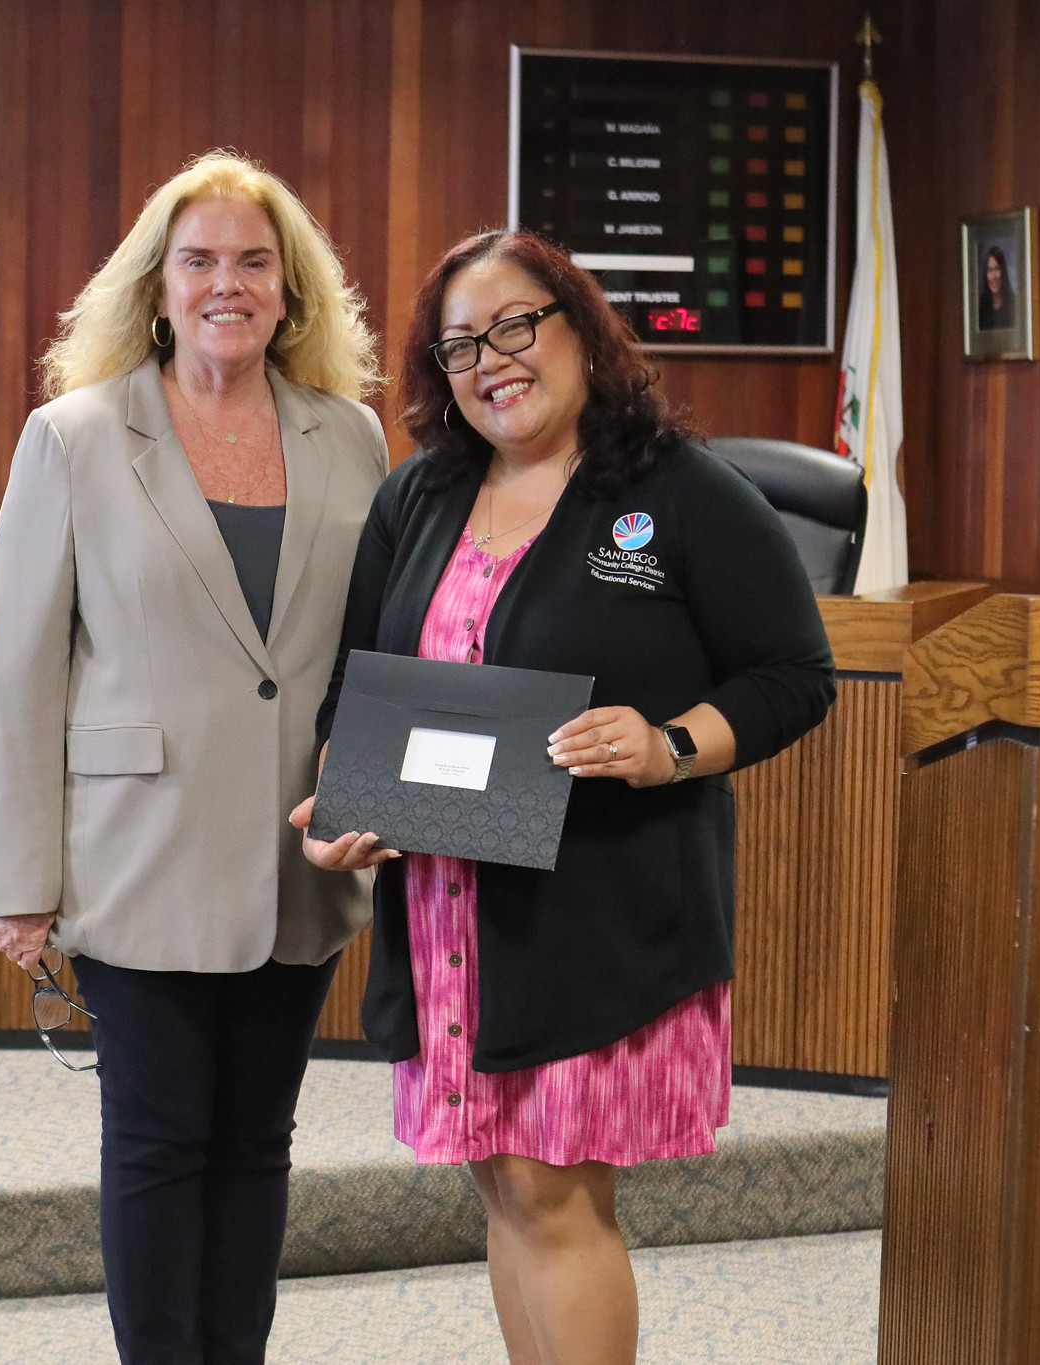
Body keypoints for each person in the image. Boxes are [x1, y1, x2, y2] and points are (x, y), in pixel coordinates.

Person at [290, 230, 835, 1365]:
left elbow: (791, 677)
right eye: (456, 347)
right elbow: (360, 678)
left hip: (597, 913)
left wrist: (670, 741)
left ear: (577, 326)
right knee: (504, 1189)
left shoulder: (678, 492)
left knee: (551, 1192)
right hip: (449, 909)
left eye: (513, 325)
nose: (490, 359)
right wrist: (339, 802)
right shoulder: (419, 497)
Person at [0, 150, 386, 1364]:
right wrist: (20, 879)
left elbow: (369, 650)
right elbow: (22, 672)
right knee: (157, 1144)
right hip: (134, 855)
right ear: (155, 286)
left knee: (258, 1142)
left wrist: (364, 798)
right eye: (199, 261)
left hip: (294, 855)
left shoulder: (350, 436)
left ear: (289, 288)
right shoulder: (75, 437)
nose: (227, 283)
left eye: (253, 262)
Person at [978, 243, 1016, 330]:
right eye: (990, 270)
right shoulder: (981, 307)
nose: (993, 276)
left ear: (1003, 272)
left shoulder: (1014, 303)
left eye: (997, 269)